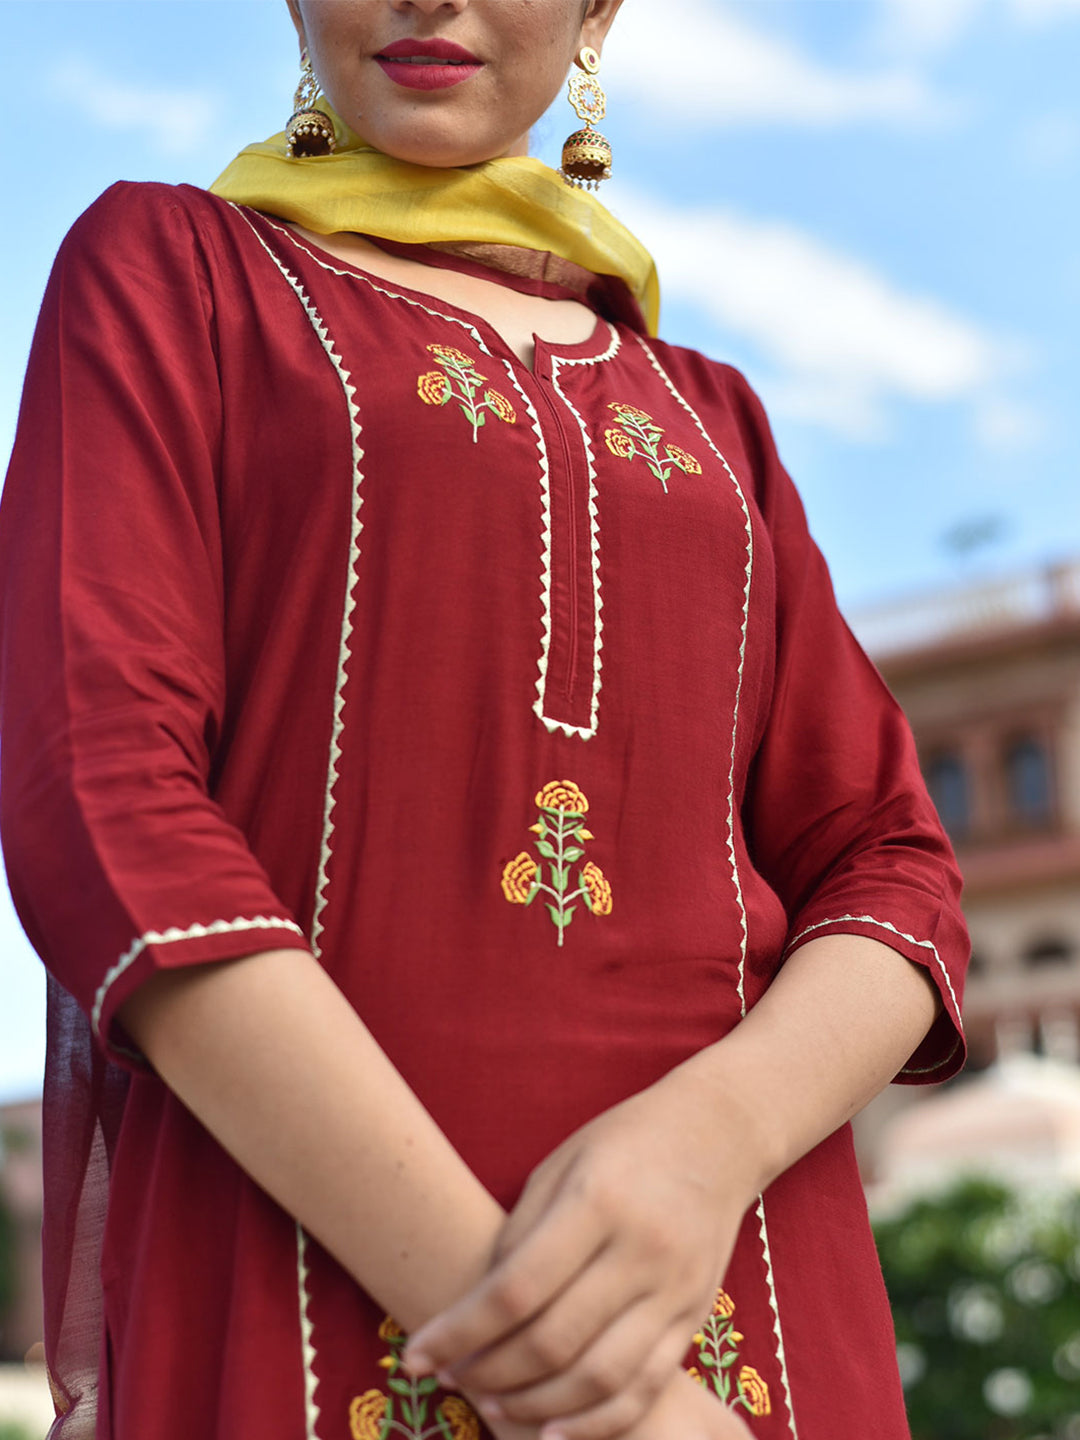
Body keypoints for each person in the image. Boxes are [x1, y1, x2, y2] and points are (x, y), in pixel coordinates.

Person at [0, 2, 969, 1438]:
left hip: (745, 1289)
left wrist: (709, 1149)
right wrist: (562, 1363)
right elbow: (102, 795)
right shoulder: (173, 272)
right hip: (320, 1277)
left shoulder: (711, 414)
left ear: (595, 14)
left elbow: (896, 863)